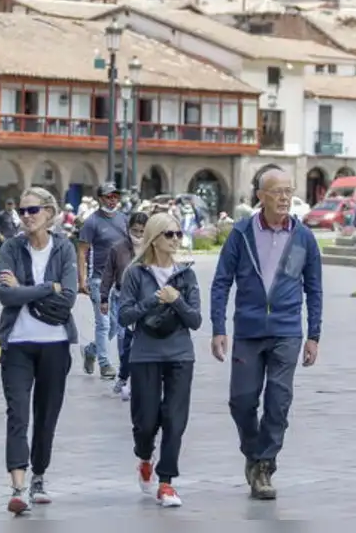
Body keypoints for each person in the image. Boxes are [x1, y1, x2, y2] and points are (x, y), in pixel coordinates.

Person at [210, 168, 322, 501]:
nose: (285, 197)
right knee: (242, 400)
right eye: (277, 191)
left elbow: (314, 289)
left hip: (288, 331)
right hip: (248, 328)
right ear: (260, 195)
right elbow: (221, 282)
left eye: (289, 190)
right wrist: (219, 328)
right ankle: (253, 449)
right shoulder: (241, 233)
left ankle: (265, 467)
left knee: (278, 401)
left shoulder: (303, 237)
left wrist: (313, 334)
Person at [0, 187, 79, 514]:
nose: (26, 216)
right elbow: (6, 295)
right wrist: (47, 288)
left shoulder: (64, 249)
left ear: (50, 213)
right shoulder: (12, 248)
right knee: (17, 413)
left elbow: (69, 297)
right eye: (22, 211)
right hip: (17, 344)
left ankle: (39, 475)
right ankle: (18, 486)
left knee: (46, 416)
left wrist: (24, 289)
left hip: (55, 344)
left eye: (33, 210)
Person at [117, 213, 202, 508]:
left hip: (180, 355)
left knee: (175, 420)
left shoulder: (187, 275)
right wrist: (155, 299)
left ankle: (166, 483)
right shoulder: (135, 274)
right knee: (145, 421)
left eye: (179, 234)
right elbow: (124, 316)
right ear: (154, 238)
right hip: (145, 355)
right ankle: (144, 456)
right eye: (170, 234)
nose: (176, 239)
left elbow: (195, 320)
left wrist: (176, 300)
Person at [77, 182, 128, 379]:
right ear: (100, 199)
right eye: (109, 196)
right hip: (98, 279)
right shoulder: (92, 222)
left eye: (116, 196)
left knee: (116, 324)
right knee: (104, 324)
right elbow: (81, 252)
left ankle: (91, 350)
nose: (113, 200)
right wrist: (82, 281)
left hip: (120, 281)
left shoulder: (124, 219)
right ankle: (105, 364)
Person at [100, 211, 150, 401]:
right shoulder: (118, 249)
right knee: (123, 338)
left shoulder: (151, 248)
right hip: (122, 297)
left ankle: (140, 378)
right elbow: (108, 274)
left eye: (142, 231)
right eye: (134, 231)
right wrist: (103, 298)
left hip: (145, 298)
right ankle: (123, 375)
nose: (138, 235)